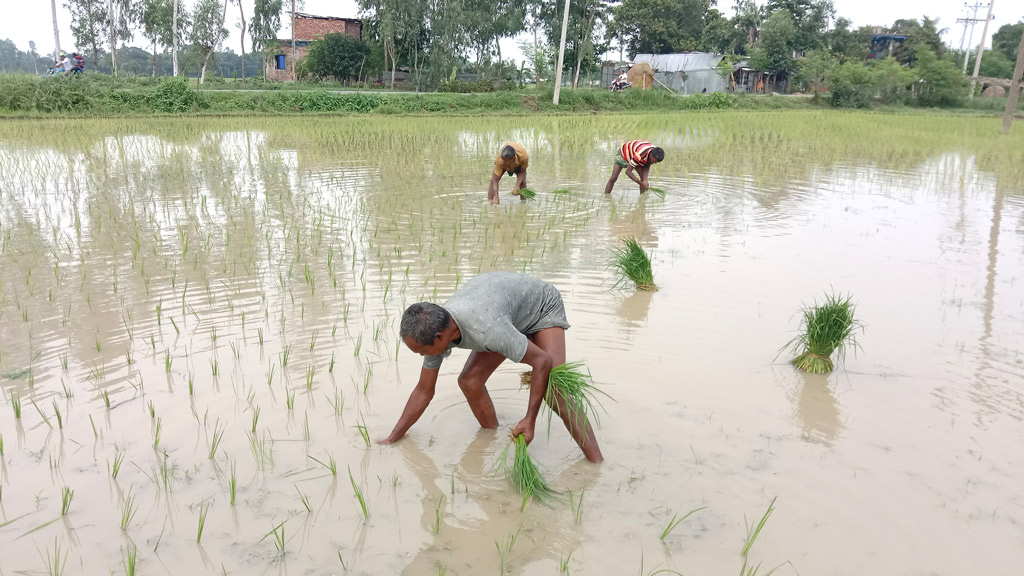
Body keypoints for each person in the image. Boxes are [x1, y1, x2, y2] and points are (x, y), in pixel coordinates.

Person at [380, 272, 604, 463]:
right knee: (469, 381)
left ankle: (596, 463)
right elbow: (423, 390)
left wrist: (529, 419)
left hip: (541, 305)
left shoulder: (487, 330)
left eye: (421, 351)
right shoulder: (436, 327)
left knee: (555, 391)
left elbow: (542, 361)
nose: (422, 356)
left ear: (440, 338)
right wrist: (393, 437)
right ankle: (493, 436)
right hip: (503, 312)